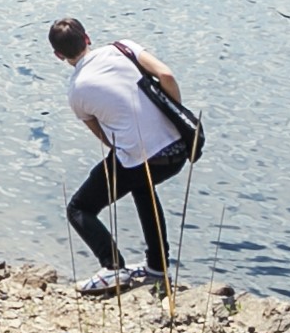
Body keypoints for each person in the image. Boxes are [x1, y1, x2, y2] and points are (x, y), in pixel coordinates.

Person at [49, 16, 192, 295]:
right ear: (87, 38)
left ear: (58, 55)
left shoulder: (76, 92)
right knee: (142, 187)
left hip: (141, 159)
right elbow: (166, 76)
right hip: (178, 149)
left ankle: (113, 267)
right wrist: (175, 115)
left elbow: (106, 138)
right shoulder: (123, 48)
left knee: (79, 208)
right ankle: (157, 266)